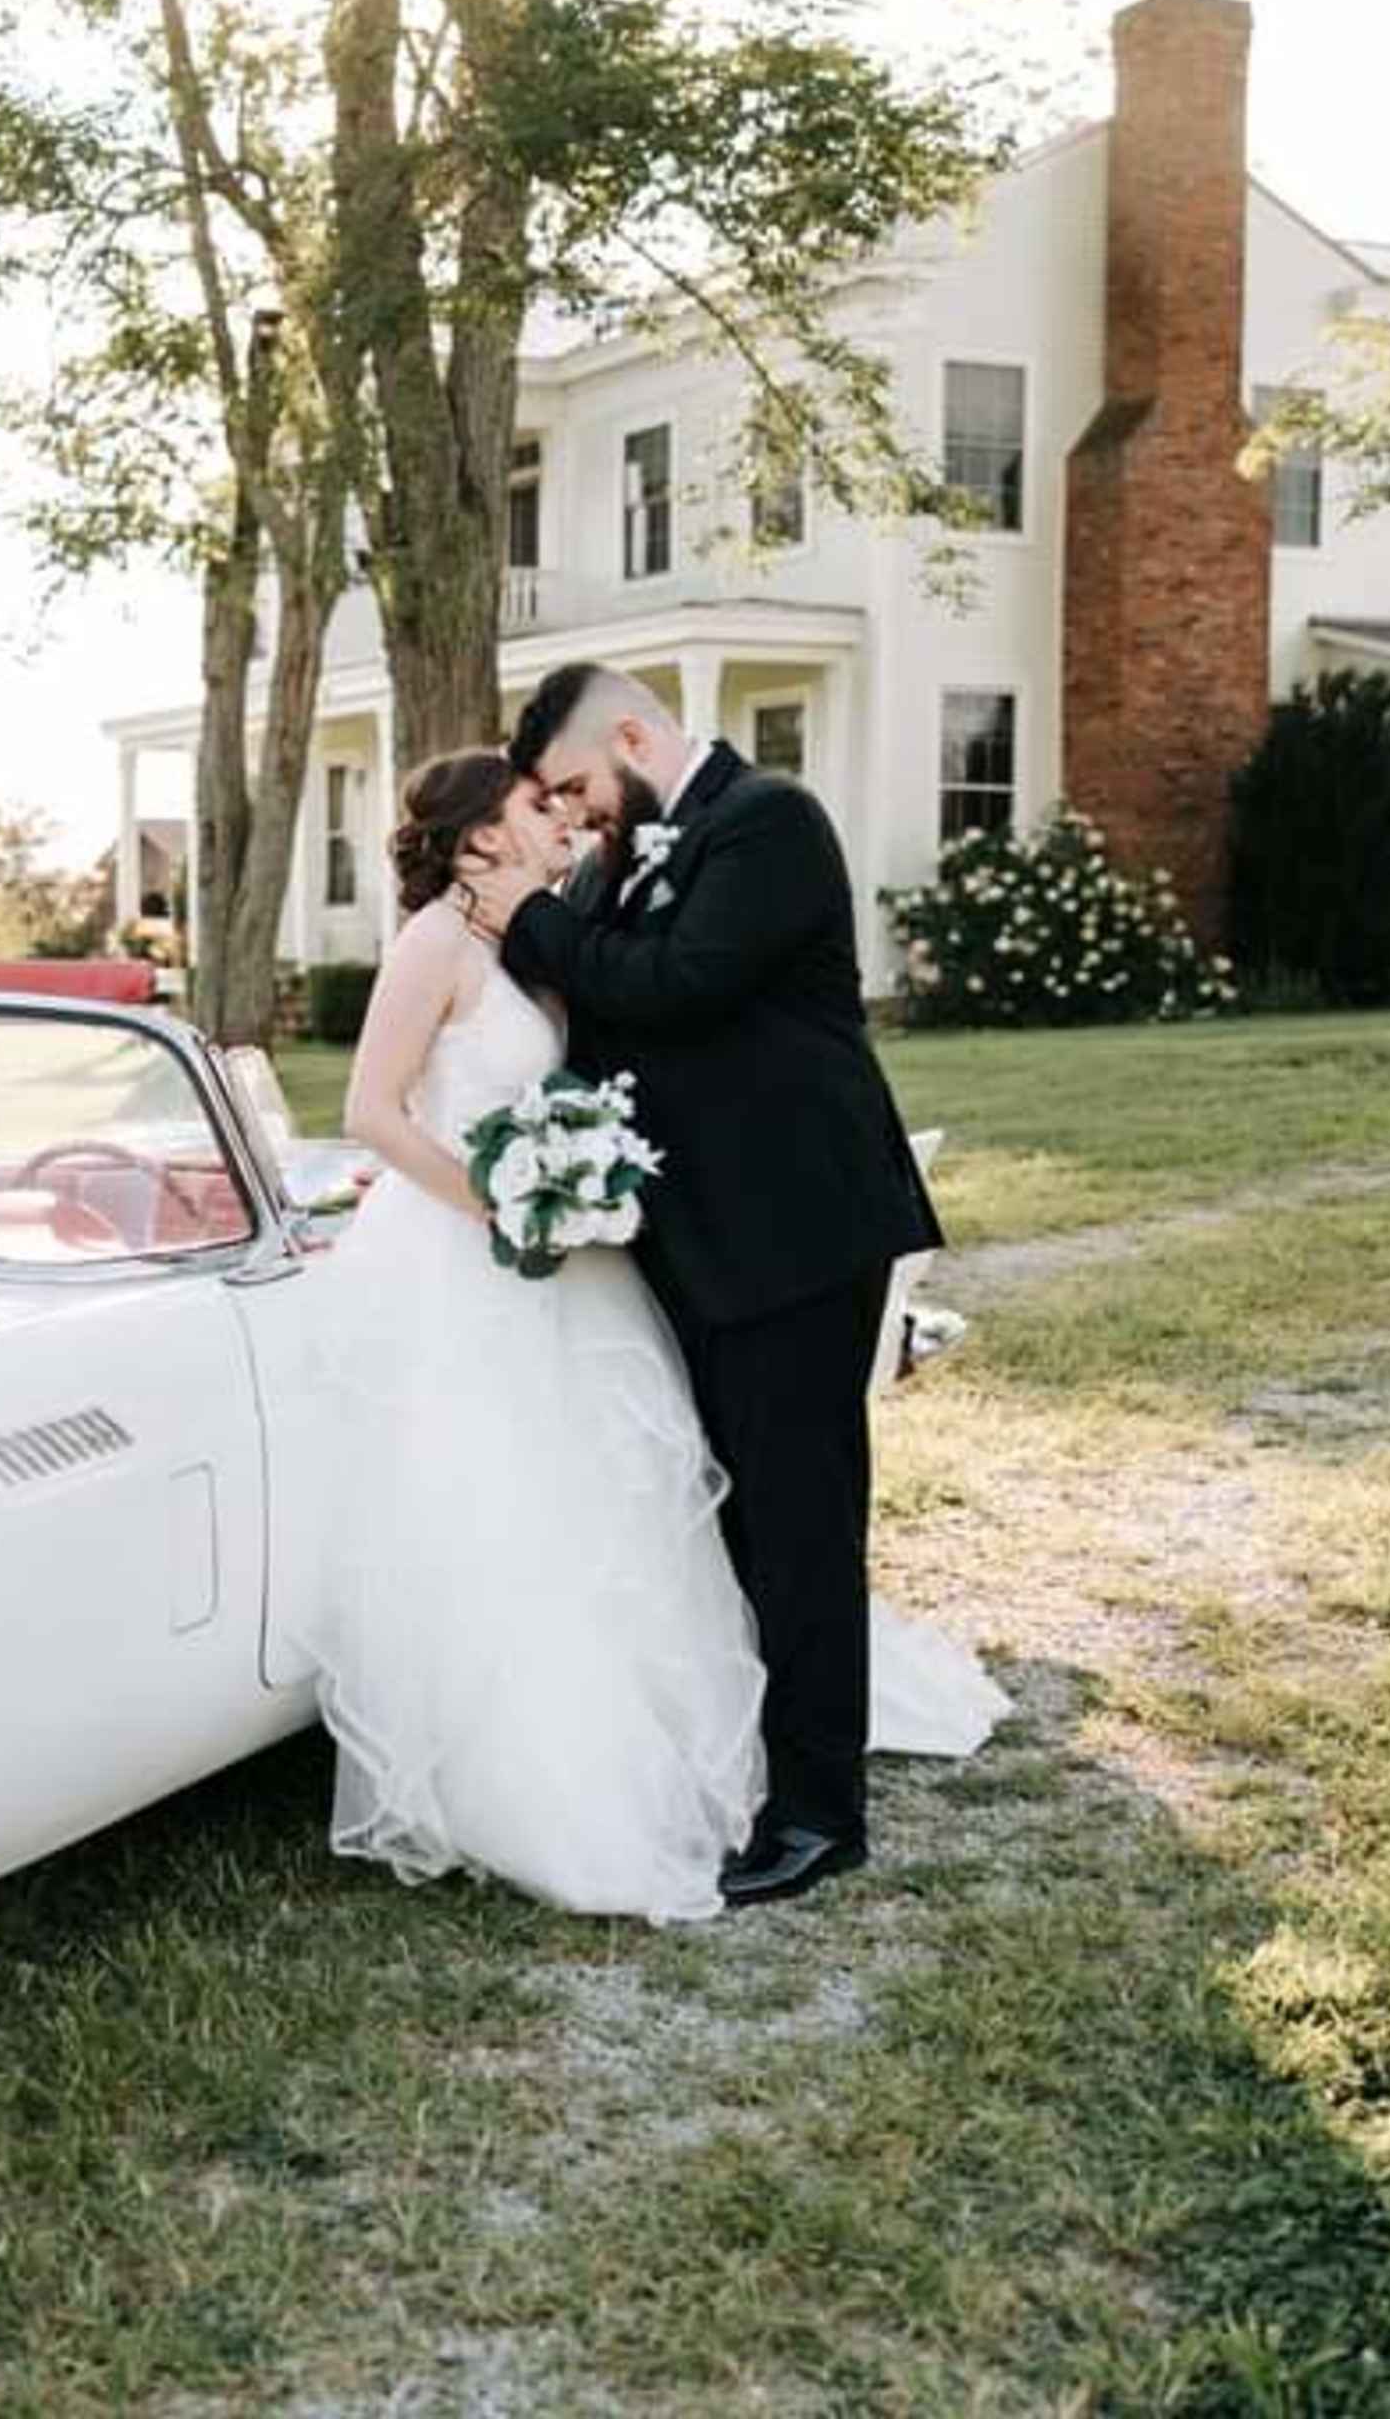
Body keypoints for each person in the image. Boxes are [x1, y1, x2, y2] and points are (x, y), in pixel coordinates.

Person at [295, 746, 999, 1925]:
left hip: (582, 1265)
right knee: (511, 1502)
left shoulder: (546, 928)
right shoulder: (431, 942)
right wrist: (502, 1203)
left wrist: (570, 1187)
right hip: (478, 1258)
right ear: (479, 841)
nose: (561, 818)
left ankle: (688, 1743)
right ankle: (534, 1767)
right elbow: (372, 1109)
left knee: (636, 1494)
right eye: (536, 805)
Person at [455, 663, 961, 1905]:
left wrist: (527, 912)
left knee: (800, 1521)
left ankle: (819, 1813)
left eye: (578, 785)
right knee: (739, 1514)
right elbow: (608, 1021)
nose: (577, 818)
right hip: (702, 1238)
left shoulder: (770, 823)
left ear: (632, 735)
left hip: (797, 1229)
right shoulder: (617, 865)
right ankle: (767, 1758)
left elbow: (673, 988)